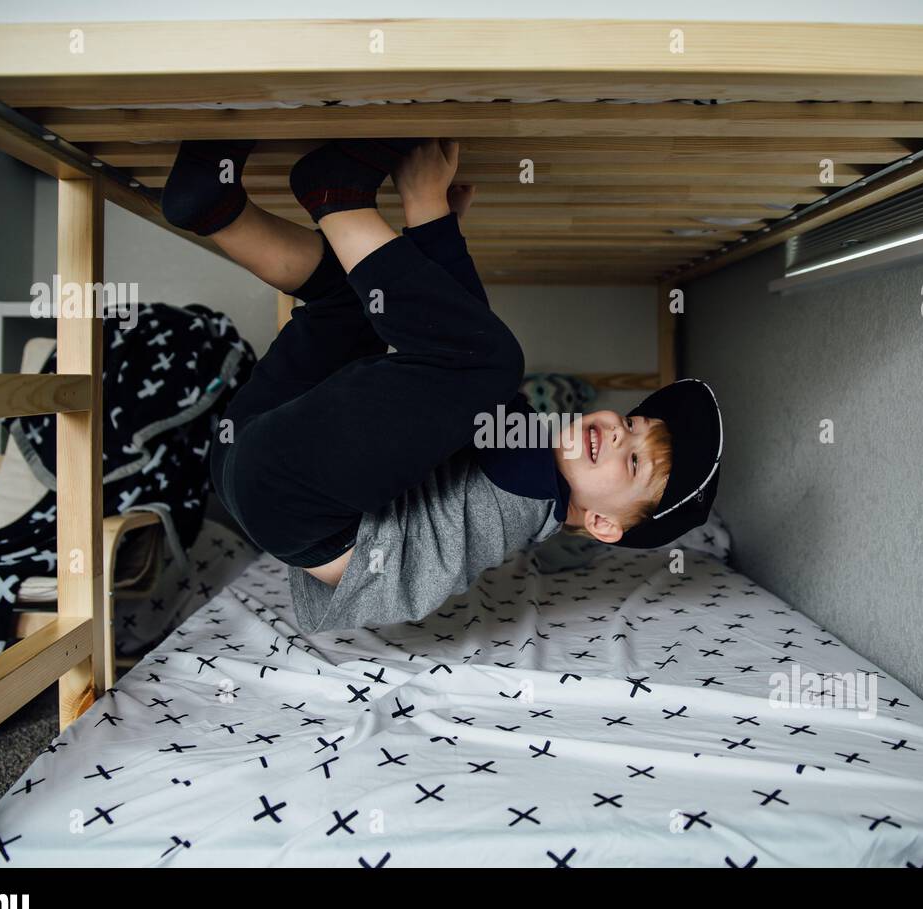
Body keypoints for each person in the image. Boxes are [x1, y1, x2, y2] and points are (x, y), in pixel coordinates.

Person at [161, 137, 723, 634]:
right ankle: (215, 207)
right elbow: (451, 341)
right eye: (632, 425)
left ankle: (336, 194)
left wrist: (429, 215)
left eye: (631, 465)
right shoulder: (525, 461)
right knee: (362, 297)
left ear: (601, 523)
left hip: (293, 500)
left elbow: (468, 356)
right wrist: (433, 229)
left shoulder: (530, 496)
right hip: (252, 460)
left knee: (487, 362)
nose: (617, 437)